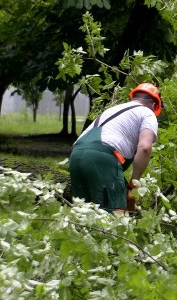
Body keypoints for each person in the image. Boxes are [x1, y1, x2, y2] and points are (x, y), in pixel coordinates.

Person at [69, 83, 163, 212]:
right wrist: (134, 184)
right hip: (102, 158)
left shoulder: (114, 109)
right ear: (154, 105)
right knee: (113, 217)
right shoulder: (147, 113)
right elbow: (145, 147)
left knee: (82, 214)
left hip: (76, 155)